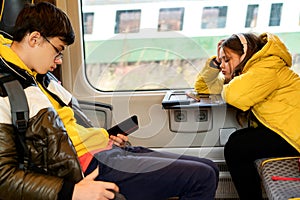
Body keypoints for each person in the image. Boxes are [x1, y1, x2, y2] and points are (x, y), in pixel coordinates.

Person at [0, 2, 219, 200]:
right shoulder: (6, 88)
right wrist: (71, 191)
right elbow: (4, 177)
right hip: (90, 165)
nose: (58, 62)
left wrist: (106, 135)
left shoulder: (40, 78)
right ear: (34, 38)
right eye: (57, 50)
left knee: (210, 167)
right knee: (203, 177)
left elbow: (71, 128)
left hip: (105, 149)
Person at [194, 32, 300, 200]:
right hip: (285, 130)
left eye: (227, 60)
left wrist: (229, 77)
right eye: (221, 61)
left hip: (293, 133)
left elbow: (234, 96)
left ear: (244, 55)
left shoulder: (267, 66)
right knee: (238, 143)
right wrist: (217, 63)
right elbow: (203, 88)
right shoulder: (251, 72)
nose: (223, 65)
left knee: (237, 147)